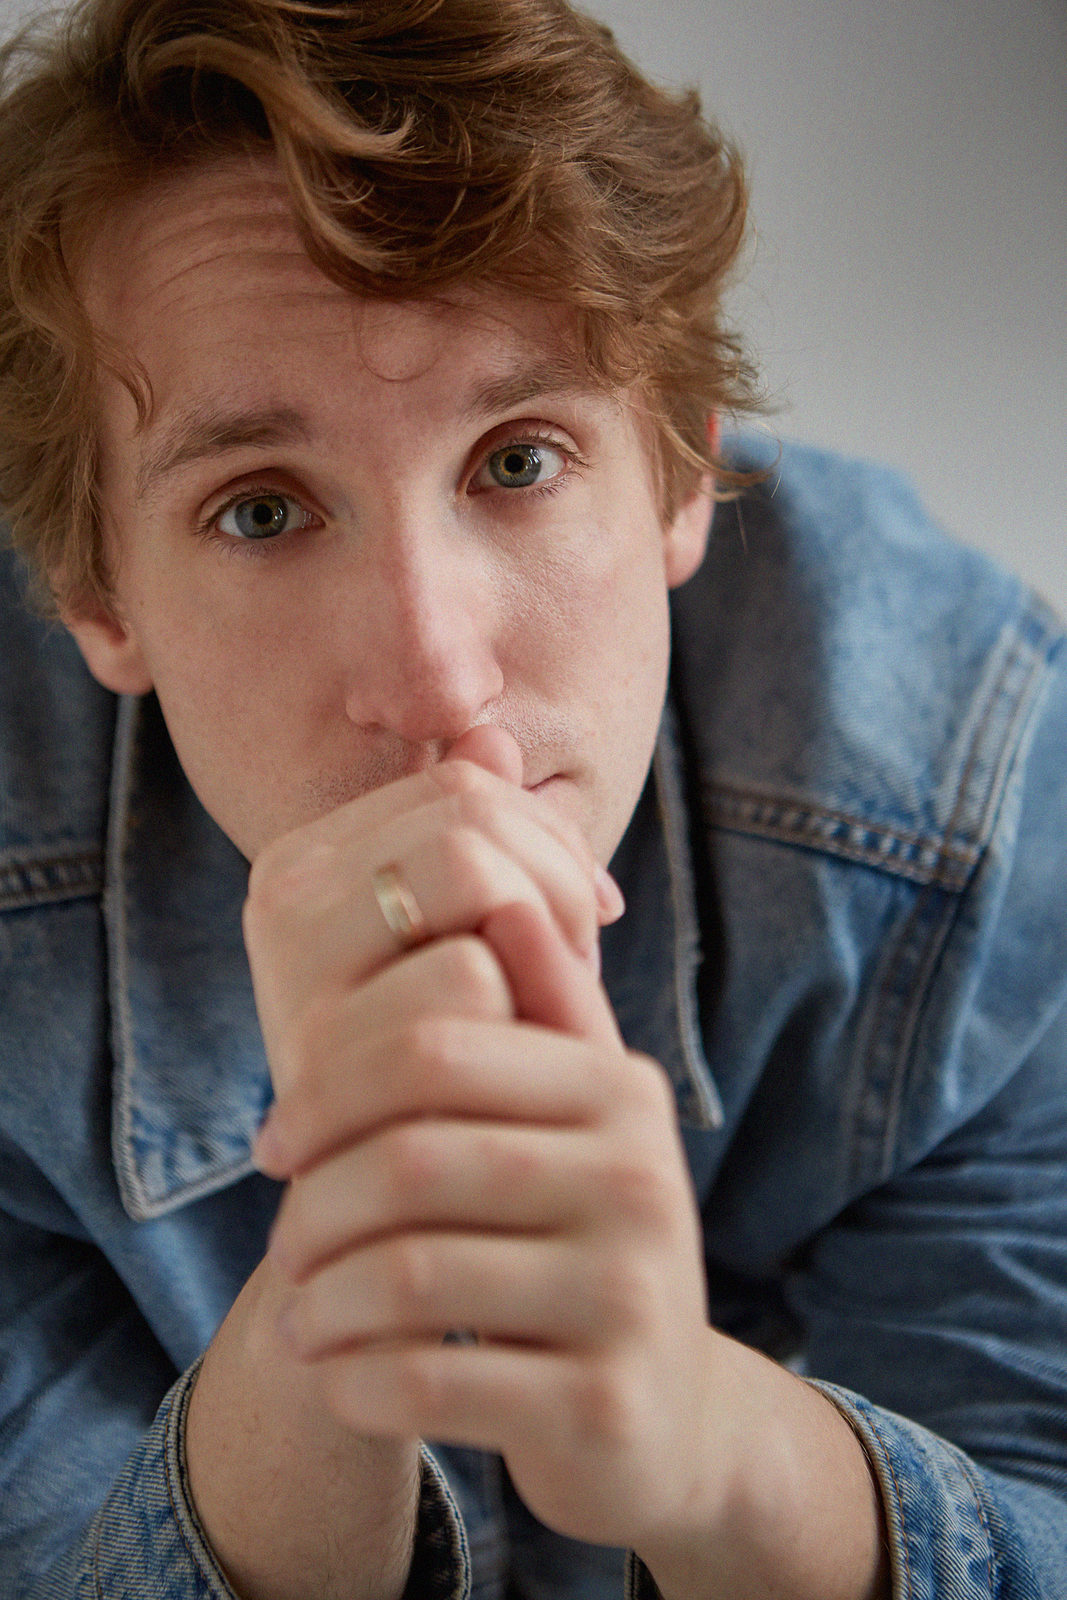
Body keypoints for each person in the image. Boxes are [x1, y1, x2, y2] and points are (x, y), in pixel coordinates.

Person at [0, 0, 1064, 1596]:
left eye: (516, 461)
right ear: (97, 600)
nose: (437, 679)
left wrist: (711, 1449)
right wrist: (336, 1295)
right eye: (263, 509)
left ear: (684, 472)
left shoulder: (964, 791)